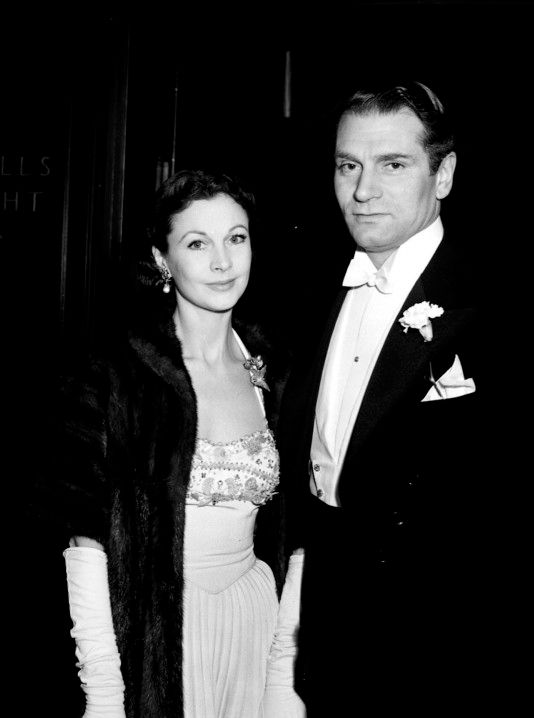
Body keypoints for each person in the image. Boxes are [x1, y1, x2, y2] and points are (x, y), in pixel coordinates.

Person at [278, 81, 534, 715]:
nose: (363, 190)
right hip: (333, 645)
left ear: (444, 174)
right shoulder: (309, 300)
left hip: (451, 660)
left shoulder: (512, 313)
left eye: (393, 165)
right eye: (348, 166)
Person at [43, 170, 306, 718]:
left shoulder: (278, 367)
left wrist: (284, 673)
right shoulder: (115, 375)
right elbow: (86, 543)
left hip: (255, 623)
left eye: (236, 238)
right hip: (159, 636)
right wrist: (104, 695)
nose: (223, 262)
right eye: (197, 243)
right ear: (162, 259)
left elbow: (297, 531)